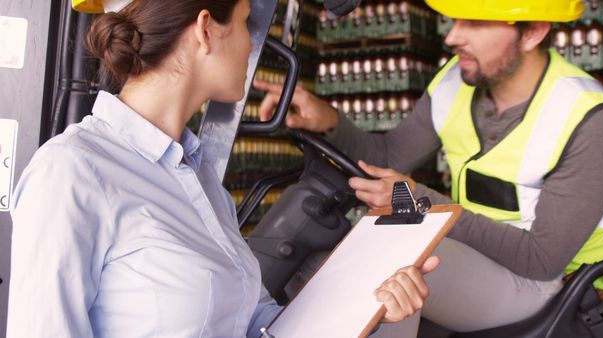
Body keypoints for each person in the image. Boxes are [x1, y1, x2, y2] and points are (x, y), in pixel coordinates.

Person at [6, 0, 439, 337]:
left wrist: (370, 303)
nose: (252, 44)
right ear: (206, 29)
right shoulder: (72, 173)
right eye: (247, 22)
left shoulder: (198, 178)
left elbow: (255, 321)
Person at [254, 0, 603, 332]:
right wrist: (326, 118)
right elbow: (389, 157)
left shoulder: (590, 120)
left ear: (533, 31)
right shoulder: (456, 82)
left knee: (385, 276)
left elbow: (541, 260)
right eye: (456, 20)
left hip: (556, 286)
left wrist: (420, 200)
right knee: (324, 264)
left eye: (474, 22)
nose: (452, 36)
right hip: (475, 255)